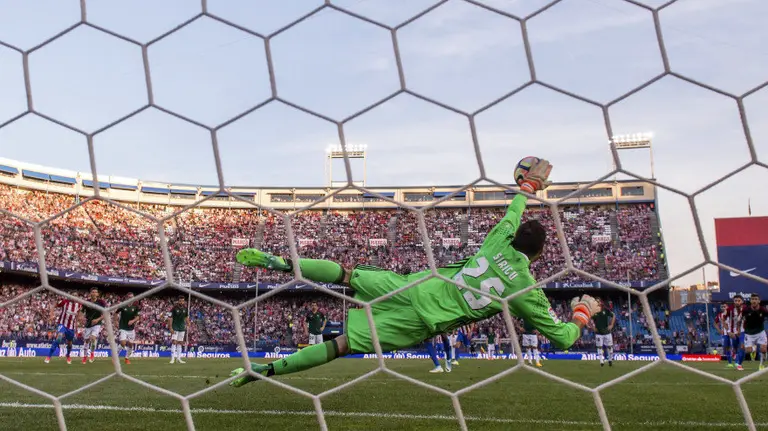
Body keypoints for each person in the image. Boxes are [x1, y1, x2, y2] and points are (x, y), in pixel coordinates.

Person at [227, 158, 600, 387]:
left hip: (416, 286)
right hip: (425, 319)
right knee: (344, 345)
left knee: (347, 274)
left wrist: (528, 186)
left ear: (514, 237)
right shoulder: (525, 288)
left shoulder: (497, 240)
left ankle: (281, 263)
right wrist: (583, 313)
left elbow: (513, 211)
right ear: (538, 255)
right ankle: (267, 371)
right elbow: (564, 338)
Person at [45, 297, 83, 364]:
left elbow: (78, 315)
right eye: (73, 296)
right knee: (59, 338)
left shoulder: (79, 305)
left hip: (71, 327)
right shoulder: (65, 302)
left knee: (70, 343)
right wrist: (51, 315)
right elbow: (54, 305)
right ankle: (49, 356)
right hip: (62, 324)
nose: (74, 297)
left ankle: (68, 355)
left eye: (75, 296)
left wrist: (77, 323)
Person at [81, 287, 107, 364]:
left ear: (98, 294)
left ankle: (92, 354)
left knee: (93, 338)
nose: (94, 293)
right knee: (86, 340)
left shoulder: (101, 302)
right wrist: (82, 318)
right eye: (93, 292)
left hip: (97, 323)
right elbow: (82, 312)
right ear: (90, 293)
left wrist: (97, 320)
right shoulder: (86, 302)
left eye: (96, 292)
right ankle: (85, 356)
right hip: (88, 324)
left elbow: (105, 313)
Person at [742, 294, 767, 371]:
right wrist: (740, 329)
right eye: (752, 299)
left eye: (756, 299)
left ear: (759, 301)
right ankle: (754, 348)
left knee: (763, 350)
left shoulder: (763, 310)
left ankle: (761, 365)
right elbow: (742, 320)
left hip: (760, 332)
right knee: (748, 351)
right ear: (750, 301)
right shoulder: (746, 310)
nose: (754, 301)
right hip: (749, 333)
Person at [117, 292, 141, 365]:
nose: (131, 298)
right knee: (123, 343)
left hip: (131, 329)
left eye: (132, 297)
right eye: (129, 297)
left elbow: (138, 317)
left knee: (130, 344)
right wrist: (115, 322)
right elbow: (115, 313)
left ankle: (127, 358)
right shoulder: (122, 305)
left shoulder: (136, 307)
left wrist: (132, 321)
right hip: (123, 327)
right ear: (127, 298)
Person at [591, 298, 615, 367]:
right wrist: (593, 327)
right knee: (599, 347)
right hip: (598, 333)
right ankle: (601, 361)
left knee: (610, 347)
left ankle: (610, 360)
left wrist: (612, 324)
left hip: (607, 332)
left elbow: (613, 315)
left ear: (601, 302)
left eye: (598, 301)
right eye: (596, 302)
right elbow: (590, 319)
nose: (597, 303)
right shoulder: (593, 312)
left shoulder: (605, 310)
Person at [168, 296, 190, 365]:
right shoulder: (173, 308)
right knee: (174, 342)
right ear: (178, 301)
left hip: (182, 328)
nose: (181, 302)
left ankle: (178, 358)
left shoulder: (185, 309)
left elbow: (186, 317)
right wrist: (170, 328)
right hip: (175, 327)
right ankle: (172, 359)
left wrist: (188, 323)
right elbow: (170, 318)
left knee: (180, 343)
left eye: (182, 301)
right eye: (180, 301)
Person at [714, 303, 733, 368]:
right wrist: (719, 330)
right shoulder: (719, 315)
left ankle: (737, 362)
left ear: (727, 307)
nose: (723, 308)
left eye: (724, 306)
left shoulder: (732, 313)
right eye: (722, 307)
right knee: (727, 347)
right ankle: (730, 363)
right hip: (725, 334)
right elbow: (715, 323)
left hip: (733, 332)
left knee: (735, 347)